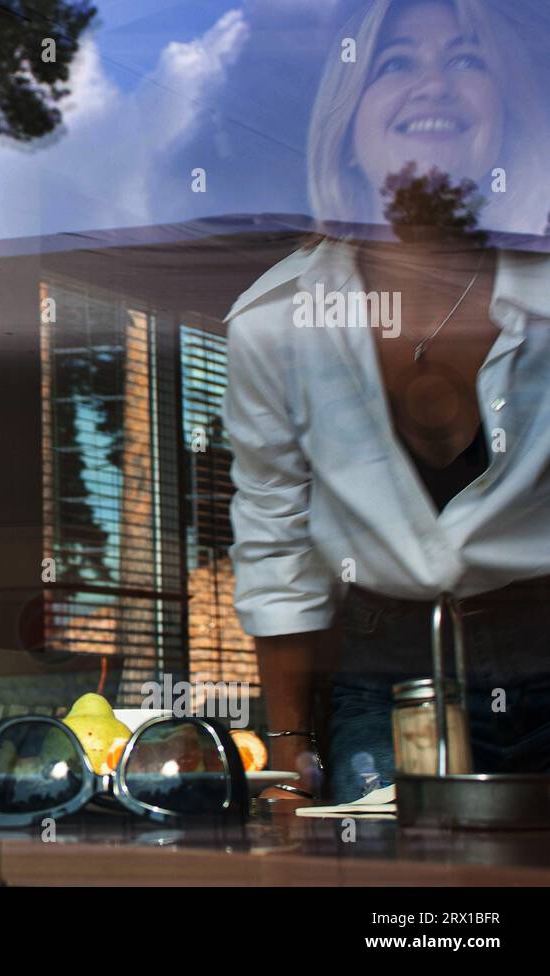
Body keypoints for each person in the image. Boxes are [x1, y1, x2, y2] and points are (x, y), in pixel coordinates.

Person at [224, 0, 550, 802]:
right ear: (348, 122)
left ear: (506, 119)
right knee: (399, 916)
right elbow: (278, 550)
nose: (432, 85)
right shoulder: (274, 322)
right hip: (383, 678)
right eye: (397, 63)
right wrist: (291, 751)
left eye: (467, 61)